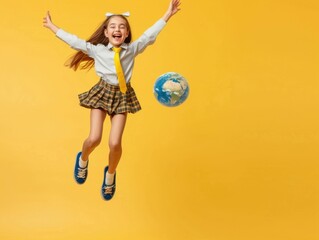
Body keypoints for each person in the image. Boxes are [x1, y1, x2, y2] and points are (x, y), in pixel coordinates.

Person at [43, 0, 181, 201]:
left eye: (122, 27)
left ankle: (110, 175)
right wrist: (52, 27)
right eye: (113, 27)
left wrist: (168, 14)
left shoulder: (132, 49)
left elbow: (149, 35)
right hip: (102, 93)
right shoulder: (97, 50)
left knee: (115, 143)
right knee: (94, 139)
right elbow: (75, 41)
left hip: (122, 95)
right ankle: (82, 160)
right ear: (106, 33)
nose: (118, 29)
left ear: (126, 34)